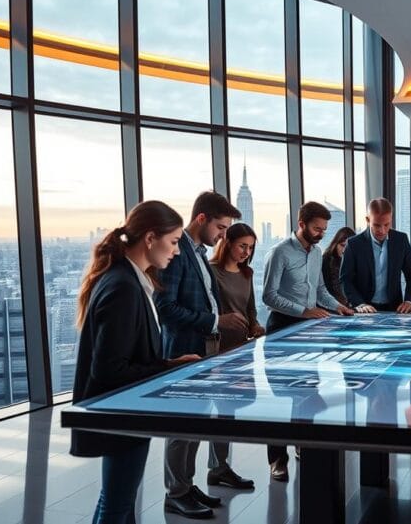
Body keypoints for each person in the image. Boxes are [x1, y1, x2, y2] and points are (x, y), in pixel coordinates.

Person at [70, 200, 201, 524]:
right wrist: (169, 368)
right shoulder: (123, 287)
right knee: (117, 507)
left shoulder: (126, 279)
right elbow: (110, 368)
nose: (177, 251)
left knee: (117, 503)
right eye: (173, 242)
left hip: (122, 412)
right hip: (121, 413)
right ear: (150, 238)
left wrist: (169, 363)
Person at [155, 192, 252, 520]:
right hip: (184, 348)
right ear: (201, 220)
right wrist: (215, 321)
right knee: (181, 425)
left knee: (196, 421)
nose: (223, 235)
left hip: (206, 346)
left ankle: (187, 484)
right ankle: (175, 493)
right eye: (221, 227)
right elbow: (165, 308)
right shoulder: (177, 251)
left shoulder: (196, 252)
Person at [263, 201, 355, 481]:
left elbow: (320, 290)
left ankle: (303, 443)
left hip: (309, 333)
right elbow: (269, 295)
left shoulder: (316, 254)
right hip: (281, 329)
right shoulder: (279, 252)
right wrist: (303, 311)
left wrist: (338, 306)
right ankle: (277, 460)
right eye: (317, 229)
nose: (321, 235)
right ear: (301, 224)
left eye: (325, 230)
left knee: (306, 393)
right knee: (280, 400)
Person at [340, 197, 411, 314]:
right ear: (368, 220)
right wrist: (359, 304)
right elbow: (345, 279)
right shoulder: (354, 244)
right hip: (364, 309)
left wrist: (409, 301)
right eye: (377, 225)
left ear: (391, 220)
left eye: (386, 225)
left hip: (395, 309)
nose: (382, 230)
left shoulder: (401, 240)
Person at [211, 222, 267, 352]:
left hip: (243, 343)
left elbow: (250, 308)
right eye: (242, 246)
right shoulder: (211, 271)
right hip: (218, 343)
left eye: (251, 247)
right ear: (228, 243)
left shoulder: (247, 272)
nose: (247, 252)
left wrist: (255, 326)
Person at [322, 226, 356, 306]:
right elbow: (324, 290)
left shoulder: (357, 260)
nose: (344, 250)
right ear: (335, 244)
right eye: (342, 245)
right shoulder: (326, 260)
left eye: (348, 247)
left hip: (353, 306)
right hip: (331, 306)